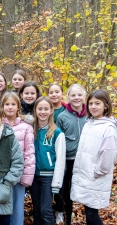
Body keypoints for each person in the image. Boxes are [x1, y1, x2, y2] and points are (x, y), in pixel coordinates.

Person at [70, 89, 117, 225]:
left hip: (95, 177)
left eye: (97, 103)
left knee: (91, 214)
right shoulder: (89, 123)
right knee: (89, 212)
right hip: (85, 176)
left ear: (106, 105)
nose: (93, 107)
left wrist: (96, 171)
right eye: (91, 103)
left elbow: (108, 155)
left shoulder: (108, 128)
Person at [53, 84, 87, 225]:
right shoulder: (62, 116)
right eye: (73, 95)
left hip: (83, 159)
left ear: (84, 97)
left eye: (79, 95)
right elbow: (57, 138)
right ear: (68, 97)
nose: (76, 98)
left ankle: (82, 214)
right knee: (64, 189)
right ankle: (61, 212)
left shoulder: (89, 115)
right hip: (66, 159)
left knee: (80, 188)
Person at [0, 91, 35, 225]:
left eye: (13, 104)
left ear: (18, 107)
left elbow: (29, 153)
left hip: (19, 174)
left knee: (17, 207)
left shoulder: (26, 127)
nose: (10, 107)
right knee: (2, 207)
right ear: (2, 107)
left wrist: (26, 176)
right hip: (1, 174)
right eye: (7, 104)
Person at [31, 96, 66, 225]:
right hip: (34, 176)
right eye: (40, 108)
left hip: (48, 177)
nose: (43, 112)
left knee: (46, 210)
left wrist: (56, 183)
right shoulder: (32, 130)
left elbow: (61, 160)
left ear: (51, 110)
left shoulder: (57, 133)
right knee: (37, 210)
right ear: (35, 110)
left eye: (46, 109)